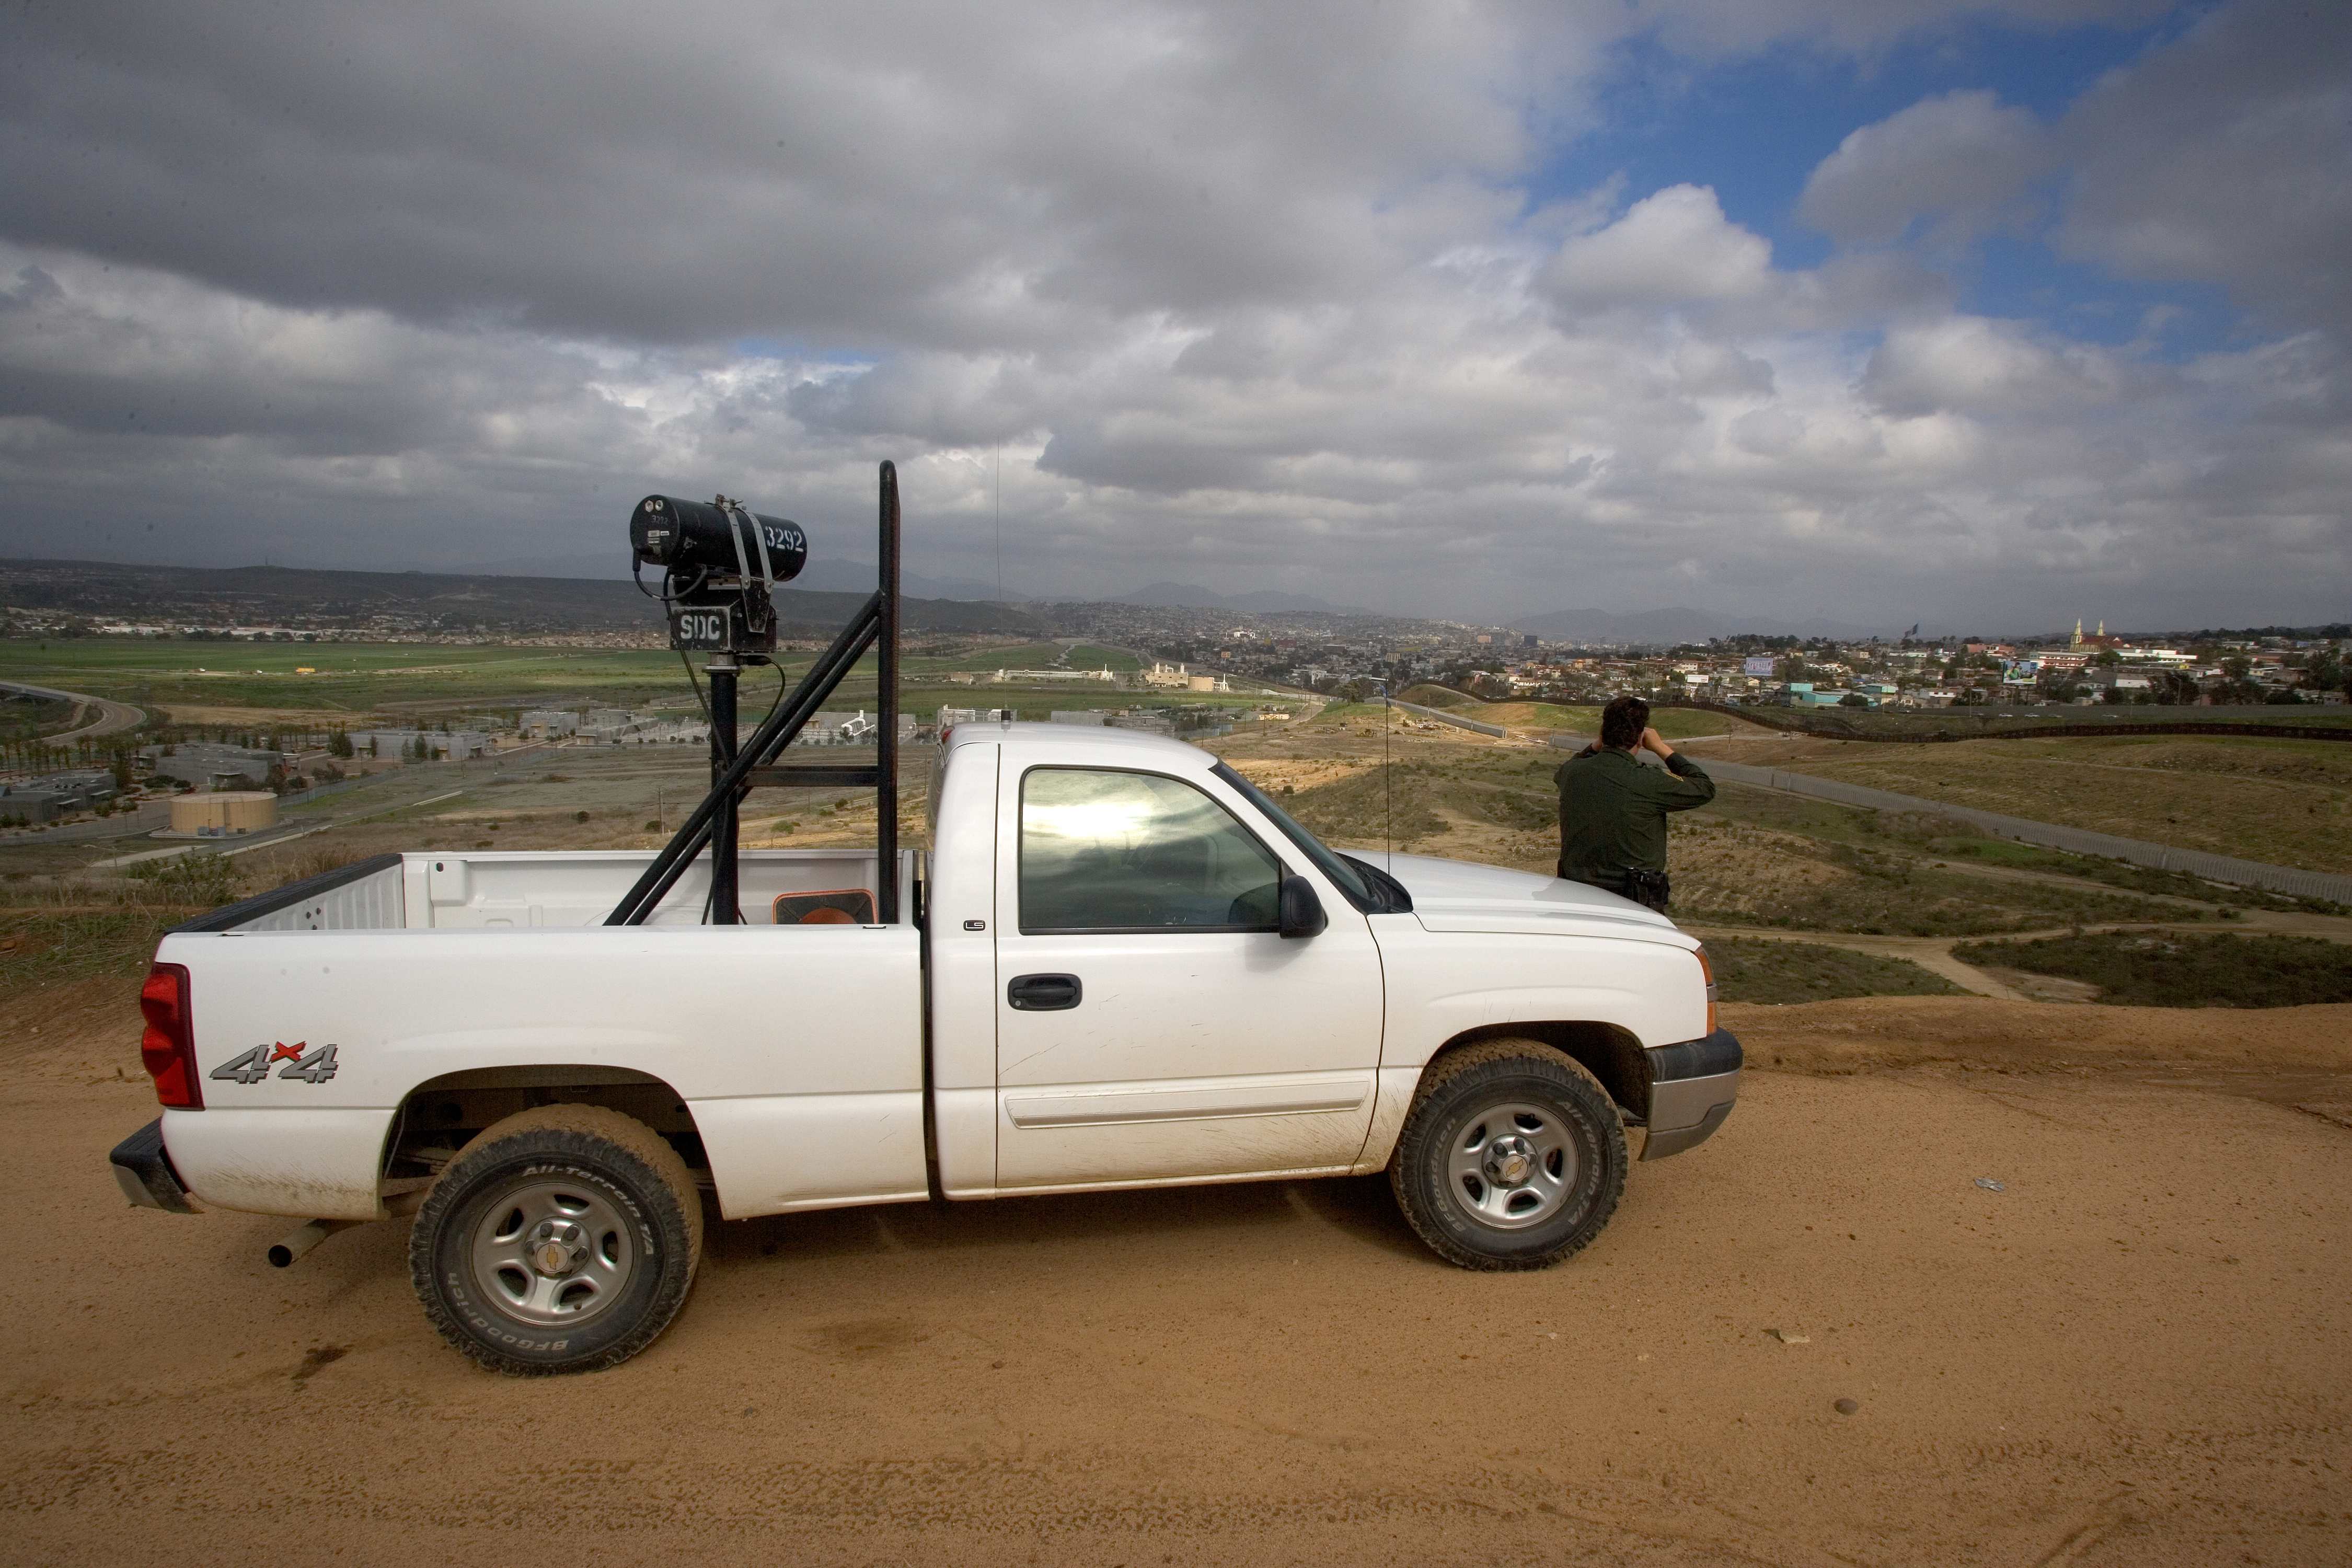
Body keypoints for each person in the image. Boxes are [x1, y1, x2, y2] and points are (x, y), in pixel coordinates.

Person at [1553, 696, 1714, 912]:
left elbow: (1574, 763)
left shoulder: (1572, 773)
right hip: (1633, 907)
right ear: (1640, 739)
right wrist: (1662, 749)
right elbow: (1704, 788)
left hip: (1574, 900)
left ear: (1602, 734)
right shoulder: (1649, 781)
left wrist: (1595, 746)